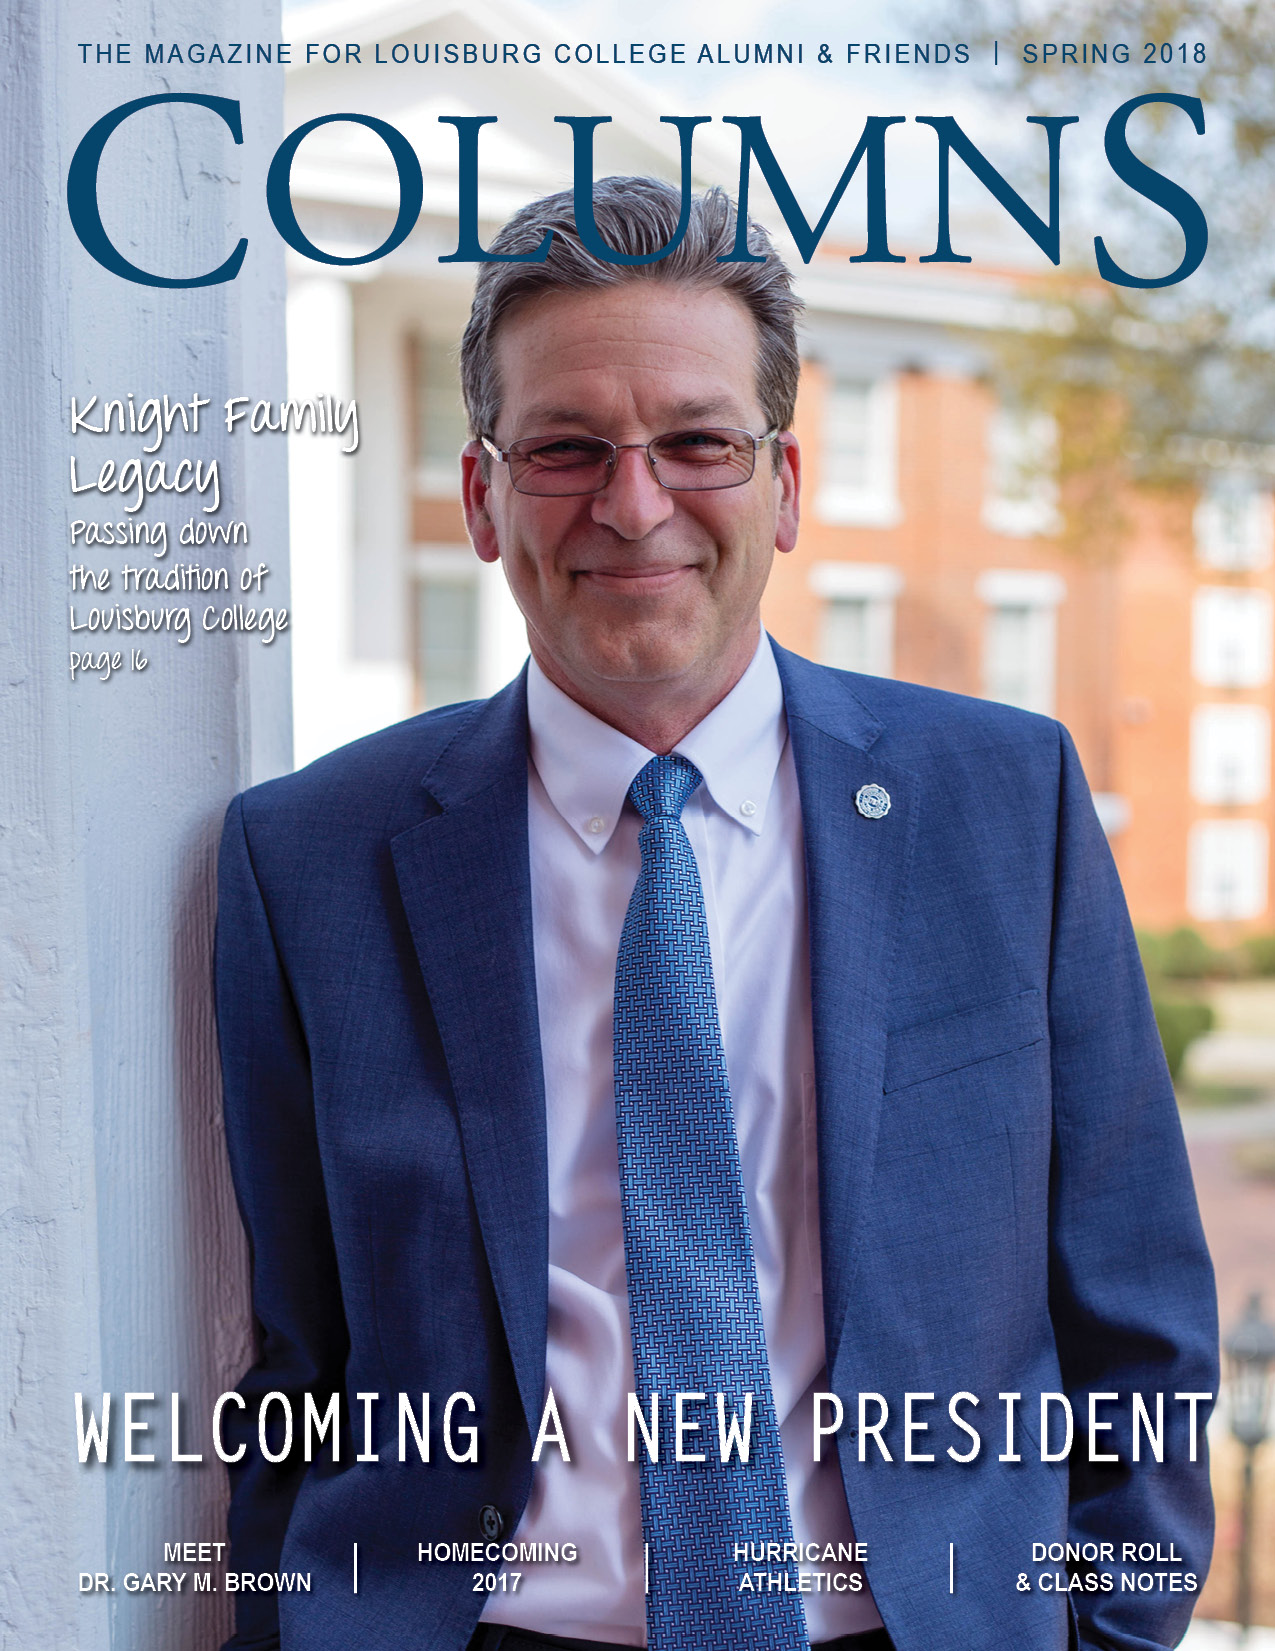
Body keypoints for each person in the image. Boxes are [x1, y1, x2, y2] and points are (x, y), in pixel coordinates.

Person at [215, 178, 1218, 1651]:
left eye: (697, 442)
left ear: (786, 485)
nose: (634, 504)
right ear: (485, 497)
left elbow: (1140, 1314)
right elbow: (293, 1357)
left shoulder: (1006, 802)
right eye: (566, 449)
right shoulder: (308, 858)